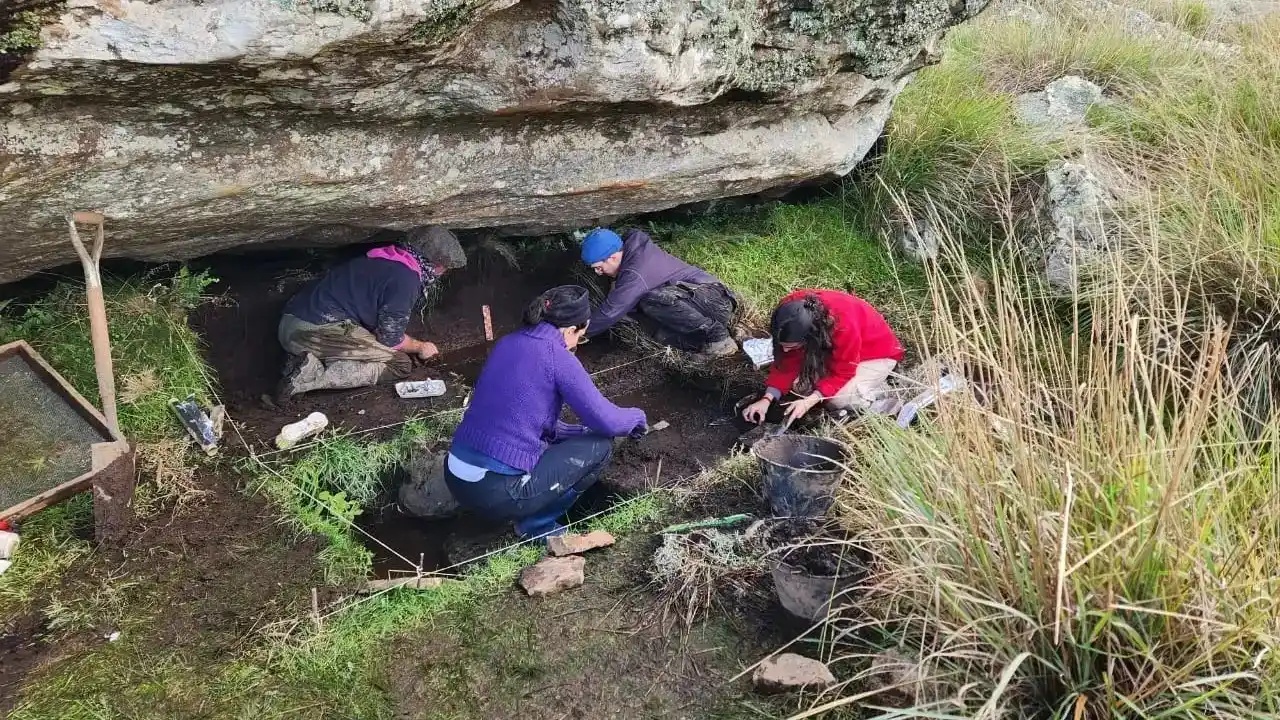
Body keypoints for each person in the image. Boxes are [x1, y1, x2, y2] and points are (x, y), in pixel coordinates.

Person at [444, 285, 648, 539]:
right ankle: (536, 527)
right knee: (601, 446)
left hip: (454, 477)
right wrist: (637, 416)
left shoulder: (508, 342)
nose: (577, 344)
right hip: (495, 492)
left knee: (566, 443)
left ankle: (514, 510)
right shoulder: (558, 357)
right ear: (571, 329)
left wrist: (575, 432)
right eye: (580, 336)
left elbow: (523, 413)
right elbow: (607, 421)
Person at [275, 226, 466, 400]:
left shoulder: (383, 258)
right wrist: (420, 347)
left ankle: (307, 361)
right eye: (446, 267)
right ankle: (308, 379)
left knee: (367, 347)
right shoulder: (405, 280)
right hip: (312, 330)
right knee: (400, 364)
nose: (444, 272)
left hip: (292, 322)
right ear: (437, 264)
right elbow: (390, 338)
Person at [742, 289, 904, 425]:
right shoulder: (788, 312)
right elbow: (786, 363)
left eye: (790, 346)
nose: (784, 350)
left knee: (838, 400)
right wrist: (766, 400)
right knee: (800, 387)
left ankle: (876, 391)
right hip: (831, 351)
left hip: (874, 353)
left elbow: (842, 371)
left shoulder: (843, 326)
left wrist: (809, 402)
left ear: (810, 337)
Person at [580, 227, 739, 357]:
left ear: (613, 258)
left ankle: (719, 339)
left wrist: (577, 333)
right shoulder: (631, 253)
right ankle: (718, 336)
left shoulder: (635, 272)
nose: (598, 273)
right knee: (656, 331)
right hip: (695, 301)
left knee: (652, 301)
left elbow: (611, 312)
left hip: (714, 299)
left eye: (599, 268)